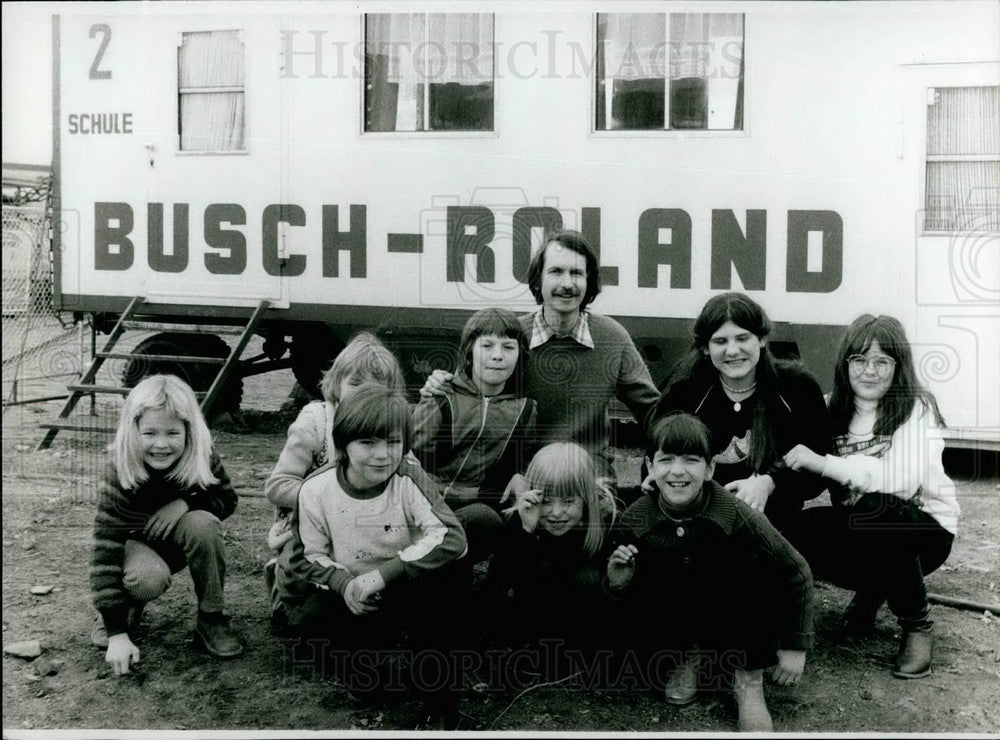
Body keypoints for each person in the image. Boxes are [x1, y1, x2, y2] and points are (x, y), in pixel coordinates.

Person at [276, 384, 468, 728]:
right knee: (319, 627)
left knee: (444, 589)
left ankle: (439, 701)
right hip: (350, 591)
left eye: (393, 442)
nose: (382, 454)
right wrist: (343, 583)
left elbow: (451, 536)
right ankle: (365, 661)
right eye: (368, 442)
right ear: (343, 446)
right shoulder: (315, 490)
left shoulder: (408, 478)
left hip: (401, 581)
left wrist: (386, 574)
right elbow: (306, 555)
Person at [609, 412, 814, 732]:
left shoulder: (735, 512)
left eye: (691, 460)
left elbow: (796, 569)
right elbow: (620, 598)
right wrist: (616, 584)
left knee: (754, 574)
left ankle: (748, 679)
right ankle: (690, 653)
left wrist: (796, 643)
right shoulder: (636, 519)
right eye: (666, 460)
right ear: (650, 467)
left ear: (710, 469)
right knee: (651, 580)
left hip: (737, 609)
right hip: (683, 611)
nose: (677, 471)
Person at [783, 314, 959, 679]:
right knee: (789, 528)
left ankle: (916, 624)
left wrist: (824, 462)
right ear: (845, 362)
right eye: (859, 359)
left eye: (883, 361)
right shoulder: (830, 407)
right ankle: (870, 590)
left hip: (925, 534)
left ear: (899, 366)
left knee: (875, 507)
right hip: (863, 529)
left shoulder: (916, 407)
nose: (869, 371)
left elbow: (899, 481)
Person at [422, 229, 659, 483]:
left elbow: (654, 411)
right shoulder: (510, 338)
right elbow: (466, 397)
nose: (567, 283)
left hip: (588, 472)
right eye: (556, 272)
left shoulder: (612, 337)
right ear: (538, 280)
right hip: (519, 471)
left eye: (577, 273)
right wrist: (440, 386)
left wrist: (666, 464)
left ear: (589, 281)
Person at [89, 374, 243, 676]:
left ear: (189, 430)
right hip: (135, 546)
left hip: (176, 540)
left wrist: (185, 504)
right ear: (133, 430)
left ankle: (211, 617)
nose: (161, 444)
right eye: (149, 433)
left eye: (172, 432)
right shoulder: (119, 472)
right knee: (148, 578)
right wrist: (116, 633)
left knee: (205, 524)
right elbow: (105, 550)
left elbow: (227, 499)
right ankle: (127, 608)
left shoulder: (202, 456)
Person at [648, 292, 831, 534]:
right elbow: (655, 461)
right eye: (720, 341)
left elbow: (820, 466)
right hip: (697, 523)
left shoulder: (797, 387)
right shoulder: (684, 391)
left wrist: (771, 482)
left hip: (775, 526)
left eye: (743, 338)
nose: (732, 351)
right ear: (705, 347)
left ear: (762, 339)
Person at [263, 332, 406, 613]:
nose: (364, 393)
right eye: (355, 383)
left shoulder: (394, 425)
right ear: (335, 383)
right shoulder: (316, 421)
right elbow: (278, 485)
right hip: (312, 525)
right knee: (300, 571)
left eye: (375, 387)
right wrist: (329, 497)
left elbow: (408, 478)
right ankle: (286, 596)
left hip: (371, 522)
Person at [488, 442, 622, 679]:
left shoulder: (604, 523)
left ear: (587, 497)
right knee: (538, 572)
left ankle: (584, 653)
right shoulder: (523, 519)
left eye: (569, 501)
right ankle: (537, 649)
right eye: (547, 501)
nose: (557, 512)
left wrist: (614, 583)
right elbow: (499, 580)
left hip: (585, 613)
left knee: (586, 578)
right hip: (538, 610)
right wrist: (525, 530)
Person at [412, 307, 536, 562]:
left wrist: (519, 474)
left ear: (520, 356)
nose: (497, 356)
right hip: (423, 504)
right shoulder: (441, 398)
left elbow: (521, 460)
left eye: (508, 347)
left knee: (493, 519)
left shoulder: (524, 409)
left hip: (473, 508)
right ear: (469, 353)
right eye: (487, 346)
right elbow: (411, 461)